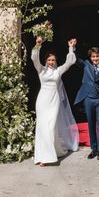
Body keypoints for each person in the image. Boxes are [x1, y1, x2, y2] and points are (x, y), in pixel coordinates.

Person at [31, 37, 79, 166]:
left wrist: (70, 47)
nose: (51, 62)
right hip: (42, 101)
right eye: (49, 60)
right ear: (46, 61)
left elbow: (69, 62)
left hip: (54, 101)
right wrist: (38, 44)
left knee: (51, 127)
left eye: (53, 60)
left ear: (55, 61)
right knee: (42, 128)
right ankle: (43, 157)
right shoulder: (41, 70)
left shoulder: (58, 71)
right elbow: (34, 58)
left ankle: (50, 153)